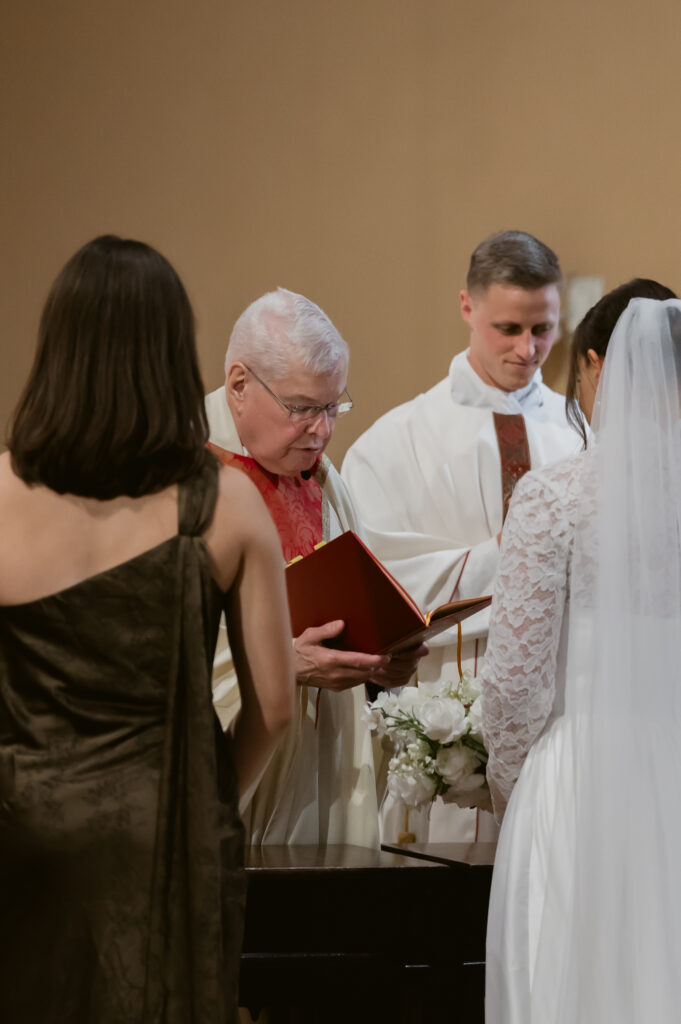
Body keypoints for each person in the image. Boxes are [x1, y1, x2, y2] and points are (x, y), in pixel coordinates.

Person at [0, 235, 295, 1023]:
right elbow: (276, 705)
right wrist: (207, 797)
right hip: (168, 834)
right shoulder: (226, 504)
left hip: (23, 829)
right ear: (173, 349)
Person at [482, 280, 679, 1023]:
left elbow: (515, 684)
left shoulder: (554, 496)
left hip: (578, 778)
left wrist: (510, 788)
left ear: (595, 365)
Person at [341, 230, 580, 841]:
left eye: (544, 329)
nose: (529, 350)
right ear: (467, 307)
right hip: (439, 712)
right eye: (509, 329)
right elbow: (376, 584)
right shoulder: (395, 443)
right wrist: (521, 560)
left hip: (562, 721)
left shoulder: (582, 438)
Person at [205, 287, 425, 847]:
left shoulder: (324, 478)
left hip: (323, 769)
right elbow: (160, 653)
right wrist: (285, 666)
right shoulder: (186, 482)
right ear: (238, 386)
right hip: (230, 775)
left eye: (332, 407)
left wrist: (379, 664)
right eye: (302, 408)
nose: (322, 431)